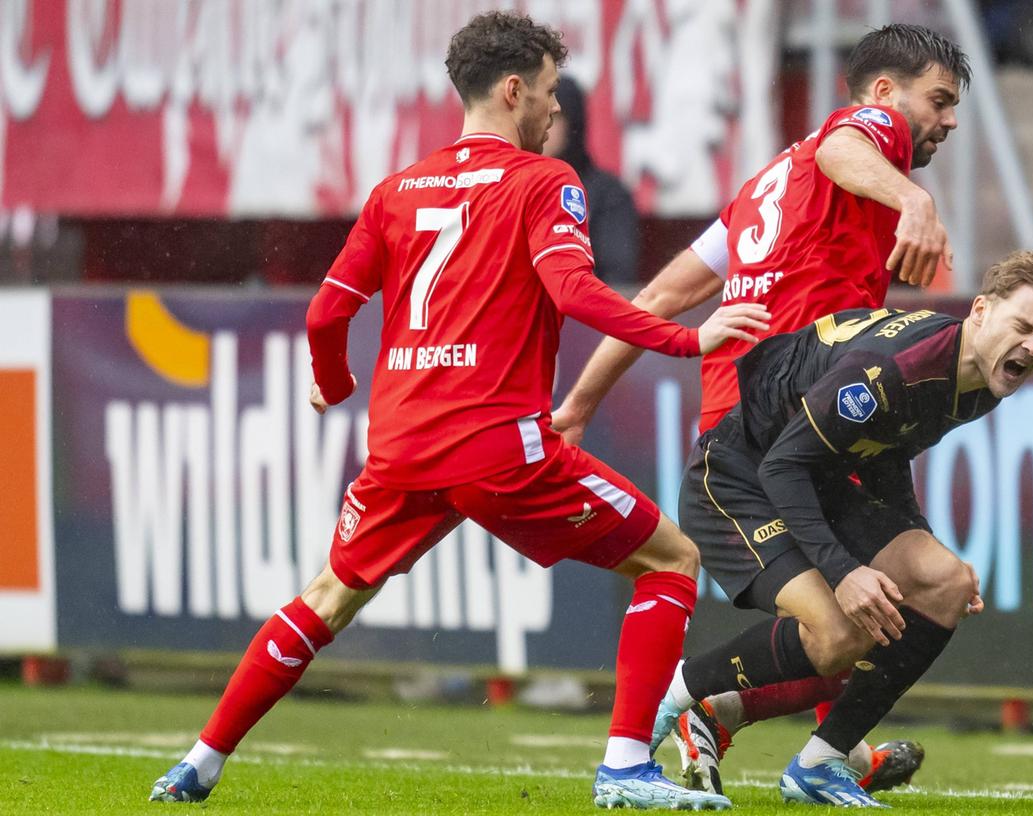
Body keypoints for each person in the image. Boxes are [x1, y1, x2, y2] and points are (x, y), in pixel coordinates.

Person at [146, 11, 768, 810]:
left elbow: (326, 315)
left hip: (402, 447)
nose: (554, 110)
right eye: (546, 92)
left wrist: (333, 386)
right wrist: (690, 339)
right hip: (497, 446)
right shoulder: (546, 183)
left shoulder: (398, 190)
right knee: (671, 560)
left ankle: (197, 764)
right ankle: (623, 769)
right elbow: (575, 291)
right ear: (513, 90)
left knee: (326, 599)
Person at [552, 23, 970, 796]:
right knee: (841, 628)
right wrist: (913, 199)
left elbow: (658, 299)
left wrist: (577, 405)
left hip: (820, 439)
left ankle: (806, 752)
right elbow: (847, 144)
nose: (947, 120)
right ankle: (680, 707)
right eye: (938, 101)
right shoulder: (867, 138)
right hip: (749, 447)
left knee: (930, 590)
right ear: (883, 93)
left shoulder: (761, 193)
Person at [656, 251, 1033, 806]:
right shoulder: (894, 369)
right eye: (1024, 327)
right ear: (981, 310)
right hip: (739, 477)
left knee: (946, 582)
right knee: (840, 633)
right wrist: (844, 572)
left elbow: (887, 455)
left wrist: (921, 543)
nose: (1032, 348)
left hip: (817, 480)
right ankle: (678, 692)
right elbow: (783, 466)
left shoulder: (982, 375)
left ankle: (821, 763)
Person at [543, 74, 641, 284]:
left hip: (583, 312)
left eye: (552, 118)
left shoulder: (608, 194)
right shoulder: (513, 185)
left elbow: (618, 278)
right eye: (534, 116)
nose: (542, 126)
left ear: (573, 123)